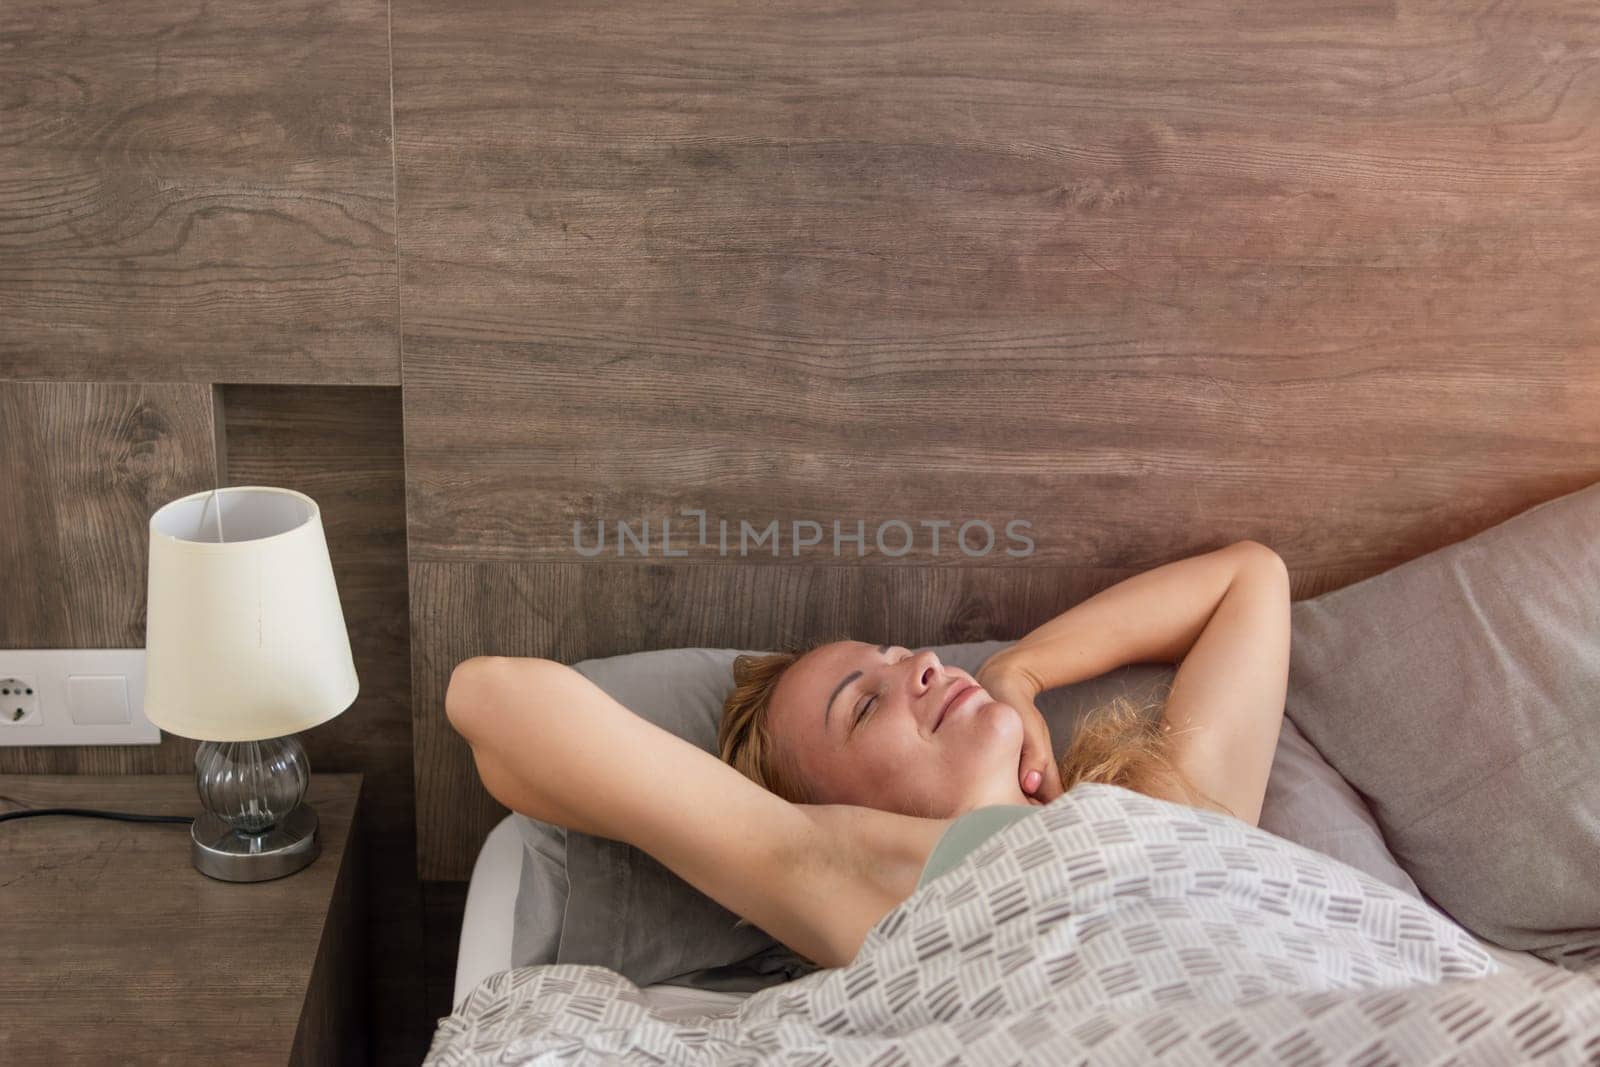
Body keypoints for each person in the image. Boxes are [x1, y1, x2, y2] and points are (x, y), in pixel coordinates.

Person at [446, 540, 1290, 970]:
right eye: (864, 705)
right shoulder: (867, 877)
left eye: (896, 656)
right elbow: (487, 700)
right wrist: (768, 829)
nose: (922, 664)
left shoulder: (1155, 810)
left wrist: (1018, 669)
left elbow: (1251, 578)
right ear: (833, 809)